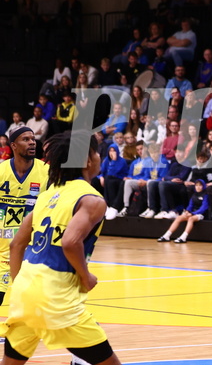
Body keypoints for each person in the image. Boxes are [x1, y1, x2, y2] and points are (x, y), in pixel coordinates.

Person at [0, 130, 121, 365]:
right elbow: (70, 242)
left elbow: (17, 244)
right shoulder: (92, 200)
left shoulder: (47, 196)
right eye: (97, 153)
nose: (99, 158)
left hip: (25, 290)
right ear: (87, 160)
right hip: (56, 297)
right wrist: (86, 277)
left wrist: (19, 286)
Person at [0, 128, 49, 305]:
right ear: (13, 145)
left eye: (33, 139)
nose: (31, 142)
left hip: (33, 250)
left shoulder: (47, 172)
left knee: (35, 300)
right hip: (2, 250)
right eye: (25, 139)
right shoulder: (2, 171)